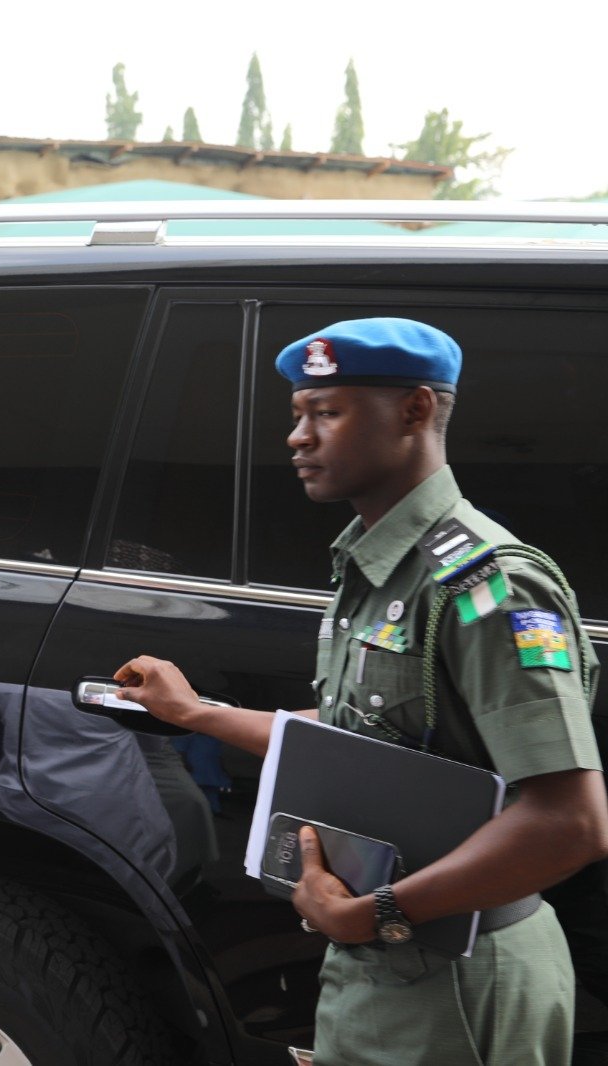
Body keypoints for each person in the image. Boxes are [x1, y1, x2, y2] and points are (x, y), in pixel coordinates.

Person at [115, 317, 608, 1066]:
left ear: (413, 411)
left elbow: (568, 822)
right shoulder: (378, 568)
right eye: (298, 414)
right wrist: (196, 713)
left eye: (328, 412)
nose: (299, 437)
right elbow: (359, 735)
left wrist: (376, 911)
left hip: (460, 975)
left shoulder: (486, 585)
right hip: (385, 957)